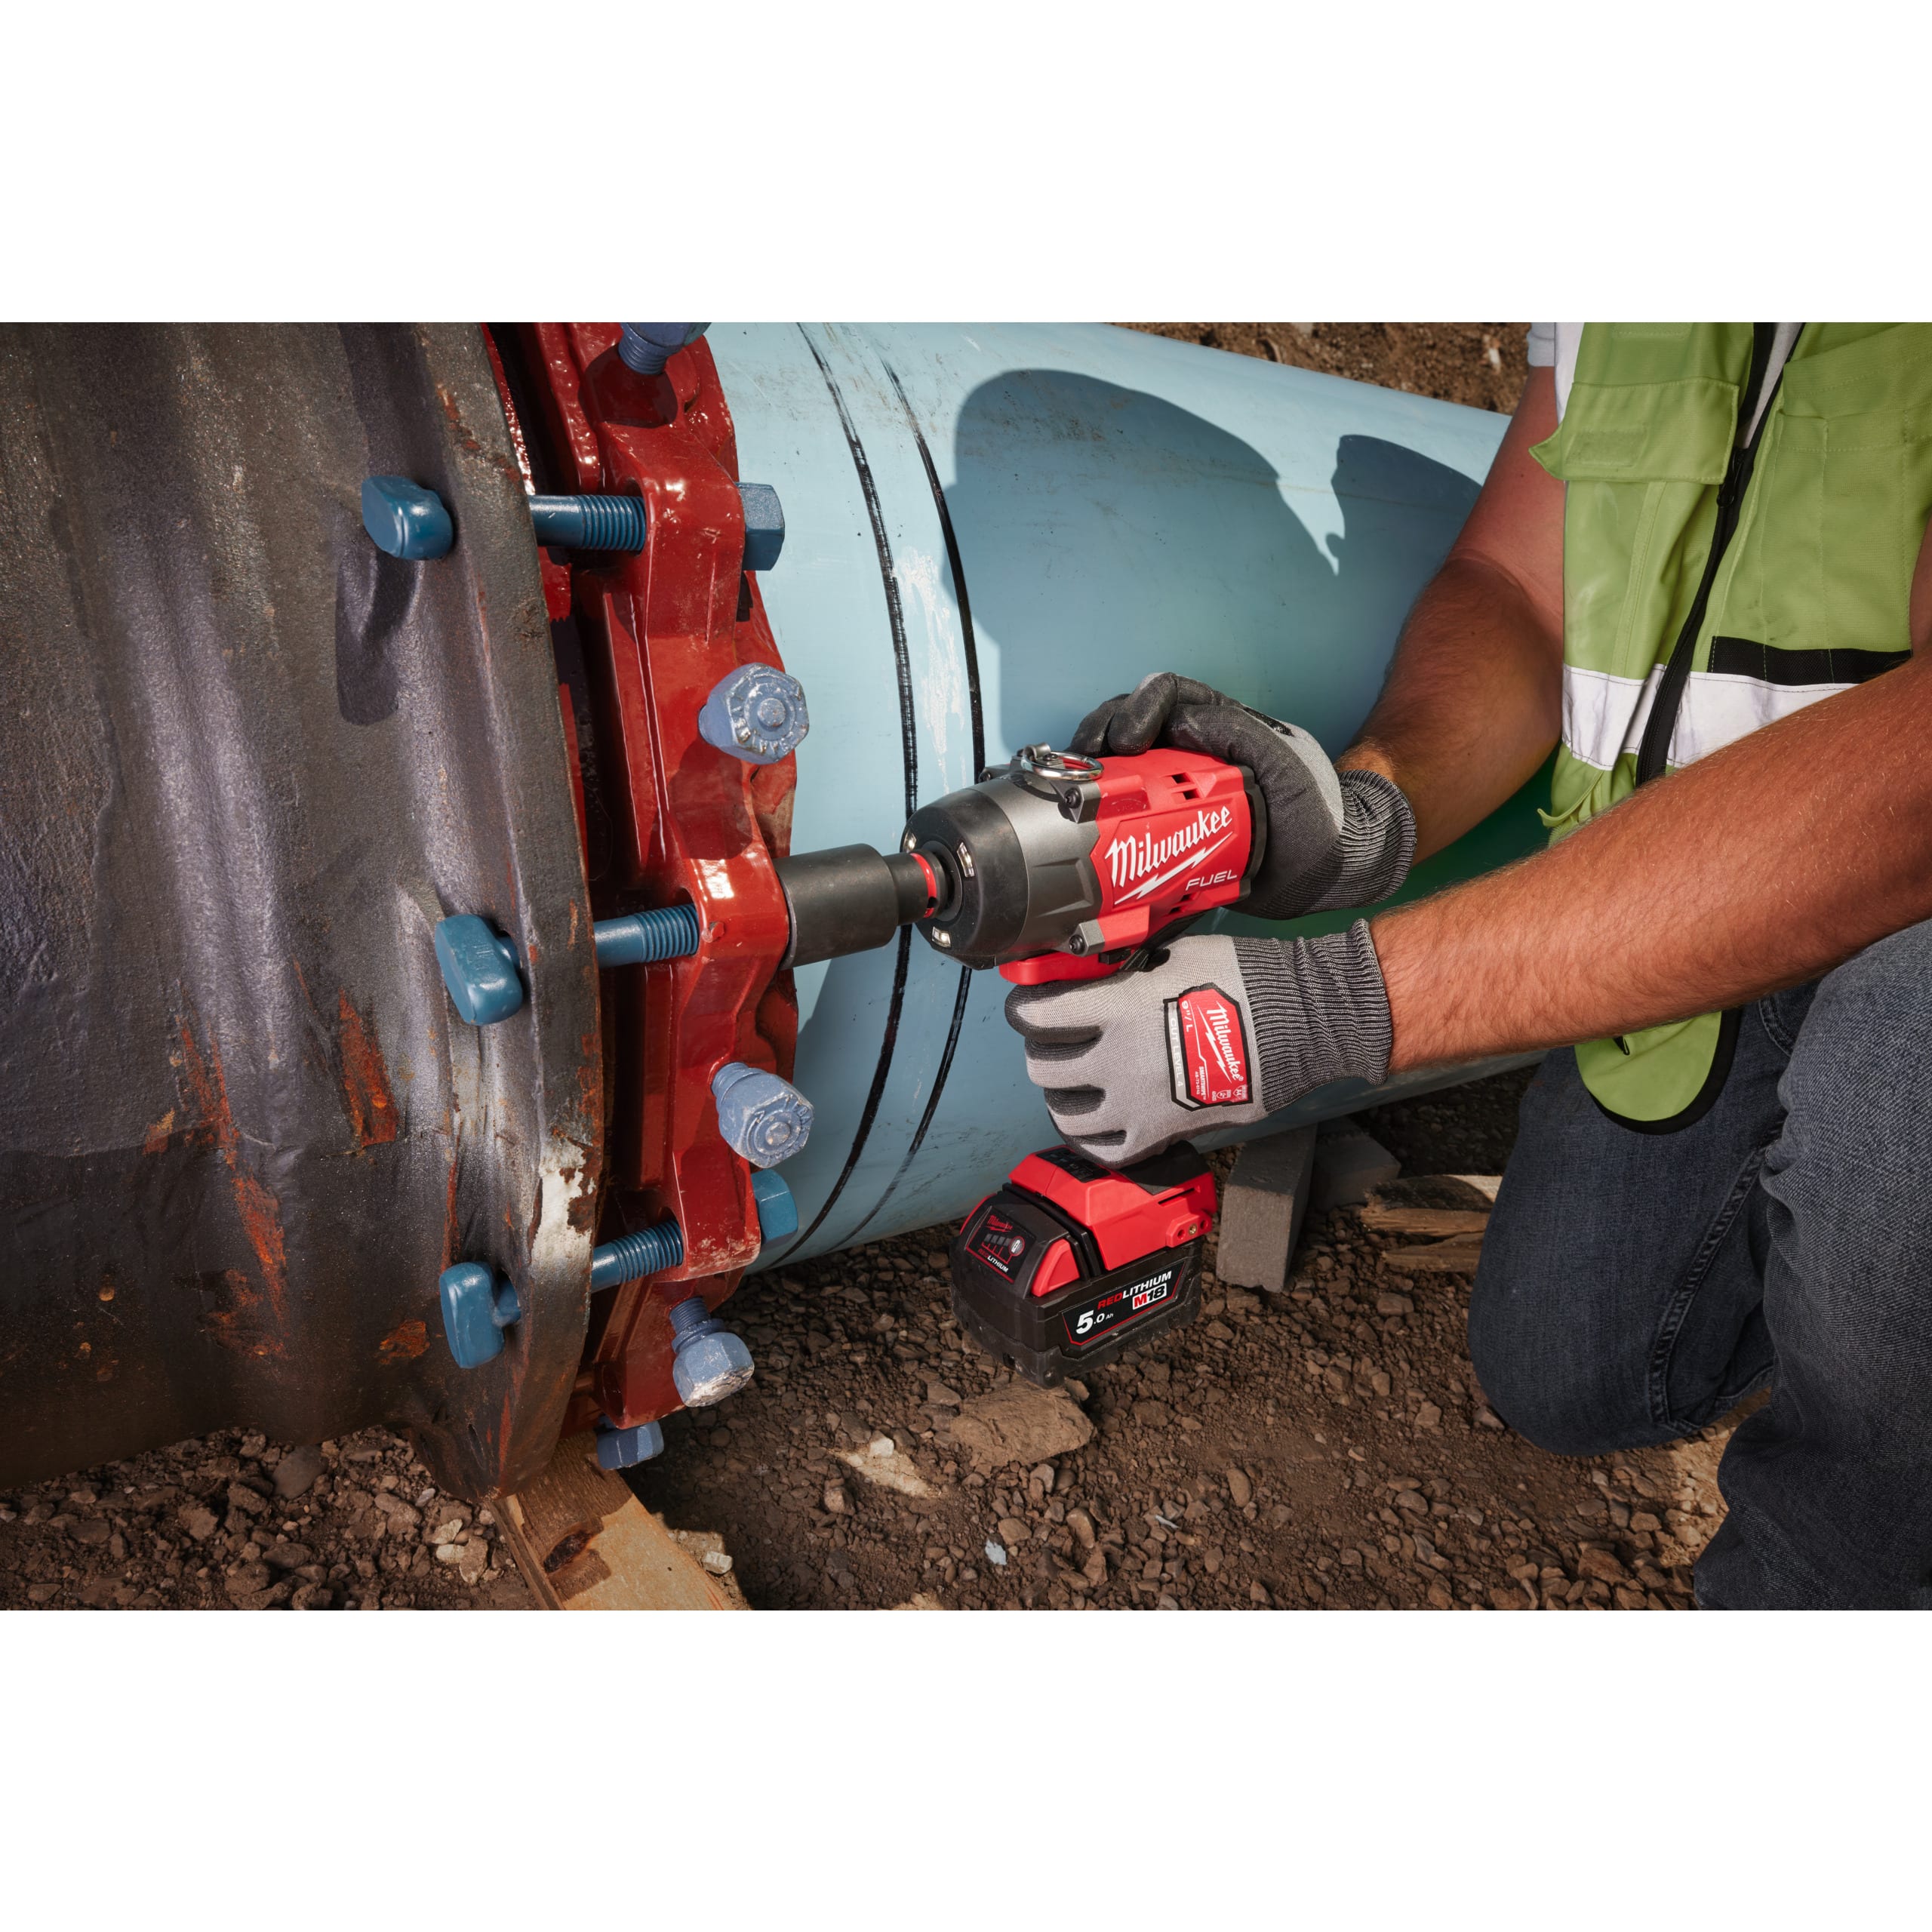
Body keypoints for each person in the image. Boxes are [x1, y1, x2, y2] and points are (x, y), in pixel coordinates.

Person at [1005, 323, 1932, 1611]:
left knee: (1894, 1096)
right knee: (1571, 1375)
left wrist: (1327, 1007)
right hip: (1661, 925)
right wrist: (1365, 814)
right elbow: (1520, 589)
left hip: (1901, 941)